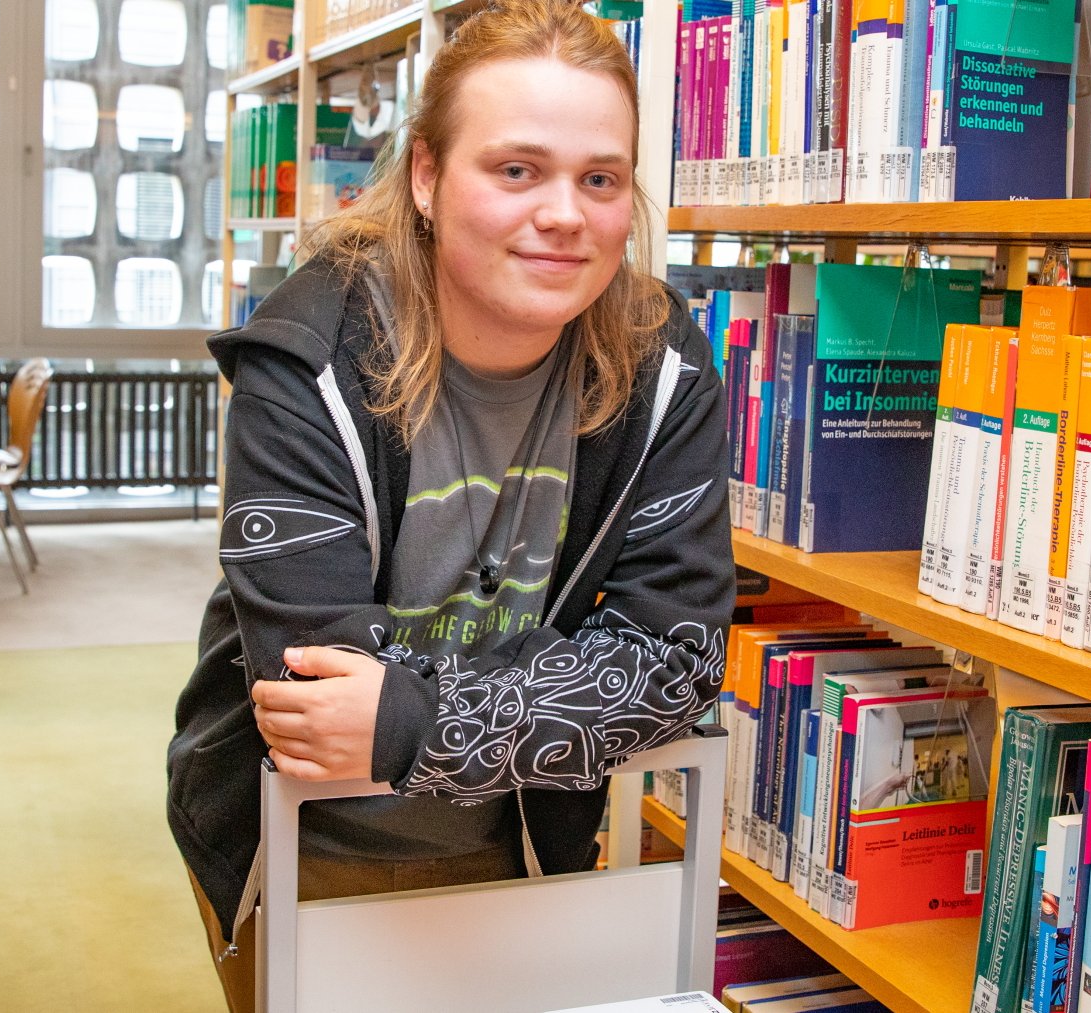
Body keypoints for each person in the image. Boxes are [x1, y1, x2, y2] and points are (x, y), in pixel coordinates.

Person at [164, 2, 734, 1009]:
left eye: (598, 178)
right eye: (515, 169)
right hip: (302, 837)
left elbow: (678, 661)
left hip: (526, 827)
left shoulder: (665, 365)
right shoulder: (305, 361)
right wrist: (575, 685)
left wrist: (414, 715)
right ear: (426, 175)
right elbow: (306, 691)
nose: (564, 212)